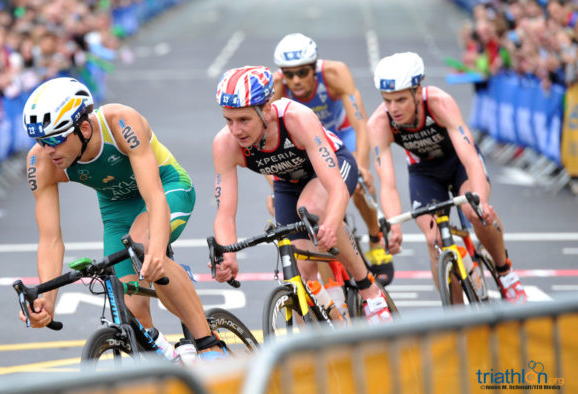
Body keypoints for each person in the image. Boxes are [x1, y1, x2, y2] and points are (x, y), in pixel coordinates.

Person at [19, 77, 226, 358]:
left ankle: (209, 345)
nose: (47, 150)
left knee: (145, 250)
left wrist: (155, 250)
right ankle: (162, 363)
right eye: (40, 141)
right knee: (130, 307)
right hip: (117, 210)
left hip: (166, 188)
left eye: (55, 138)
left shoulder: (120, 123)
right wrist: (47, 301)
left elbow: (153, 197)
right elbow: (50, 239)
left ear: (83, 127)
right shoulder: (40, 162)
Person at [212, 65, 392, 324]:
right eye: (228, 120)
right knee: (301, 279)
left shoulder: (296, 118)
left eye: (243, 120)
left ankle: (368, 287)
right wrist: (228, 255)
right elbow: (225, 214)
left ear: (266, 109)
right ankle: (337, 331)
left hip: (333, 167)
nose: (236, 130)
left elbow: (337, 188)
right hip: (288, 183)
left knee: (311, 208)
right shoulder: (225, 144)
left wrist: (331, 224)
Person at [366, 52, 527, 304]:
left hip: (458, 164)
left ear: (418, 92)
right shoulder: (379, 123)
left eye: (400, 100)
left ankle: (505, 272)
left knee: (475, 213)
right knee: (434, 241)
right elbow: (387, 184)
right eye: (387, 101)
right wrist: (394, 226)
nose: (393, 109)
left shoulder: (440, 103)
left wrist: (480, 200)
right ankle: (455, 317)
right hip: (424, 173)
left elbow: (470, 158)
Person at [271, 33, 394, 285]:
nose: (295, 80)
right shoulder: (276, 87)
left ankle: (375, 237)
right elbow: (269, 147)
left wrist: (361, 165)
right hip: (306, 145)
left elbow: (361, 125)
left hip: (340, 136)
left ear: (314, 68)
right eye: (288, 74)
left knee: (358, 185)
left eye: (302, 72)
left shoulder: (335, 74)